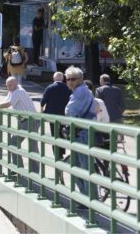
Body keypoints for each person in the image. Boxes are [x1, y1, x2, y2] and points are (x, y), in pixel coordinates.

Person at [0, 76, 37, 171]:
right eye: (7, 85)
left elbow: (8, 104)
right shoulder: (12, 91)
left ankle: (32, 171)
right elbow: (5, 102)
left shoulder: (18, 91)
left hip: (31, 120)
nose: (8, 87)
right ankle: (19, 168)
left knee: (32, 146)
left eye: (10, 85)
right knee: (14, 143)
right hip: (24, 121)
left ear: (16, 83)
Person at [64, 66, 97, 195]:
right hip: (80, 131)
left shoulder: (80, 92)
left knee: (83, 167)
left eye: (73, 79)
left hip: (81, 133)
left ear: (81, 79)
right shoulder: (82, 91)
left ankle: (89, 198)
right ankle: (86, 196)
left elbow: (70, 111)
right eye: (68, 79)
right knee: (76, 166)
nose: (70, 82)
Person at [41, 71, 71, 160]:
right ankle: (62, 151)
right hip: (63, 114)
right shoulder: (67, 88)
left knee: (54, 133)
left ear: (54, 78)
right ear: (62, 79)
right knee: (62, 132)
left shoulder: (49, 87)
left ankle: (56, 154)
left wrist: (42, 111)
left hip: (51, 114)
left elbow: (43, 101)